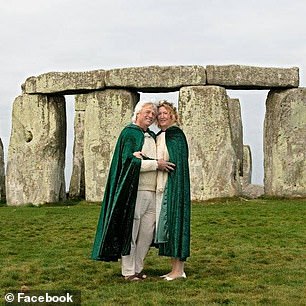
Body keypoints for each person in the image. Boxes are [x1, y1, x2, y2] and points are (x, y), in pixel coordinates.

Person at [91, 100, 174, 281]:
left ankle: (138, 268)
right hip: (135, 191)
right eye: (147, 112)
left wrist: (147, 159)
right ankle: (128, 271)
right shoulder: (129, 133)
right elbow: (128, 161)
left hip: (153, 191)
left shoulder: (151, 135)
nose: (151, 116)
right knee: (132, 229)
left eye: (153, 113)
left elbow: (147, 158)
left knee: (147, 233)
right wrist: (154, 164)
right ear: (137, 113)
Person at [155, 100, 191, 281]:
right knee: (168, 228)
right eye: (159, 113)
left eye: (165, 113)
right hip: (162, 185)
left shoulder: (175, 134)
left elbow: (176, 161)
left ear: (172, 115)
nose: (162, 116)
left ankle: (179, 271)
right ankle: (173, 270)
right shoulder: (160, 135)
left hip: (174, 185)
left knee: (175, 224)